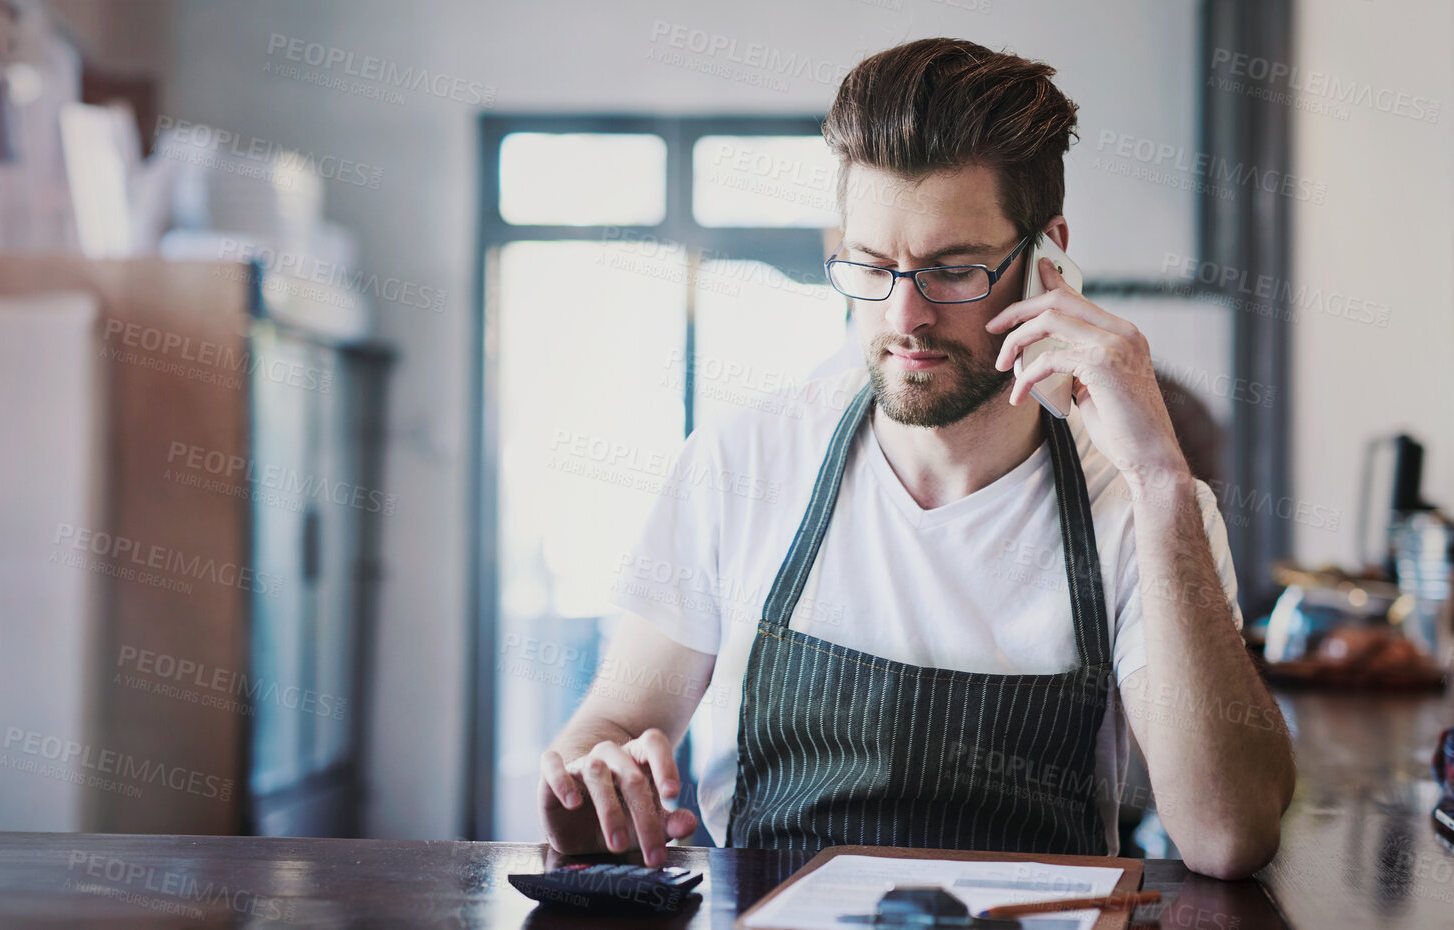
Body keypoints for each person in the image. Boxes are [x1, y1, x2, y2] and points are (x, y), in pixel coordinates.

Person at [540, 37, 1293, 879]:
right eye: (871, 265)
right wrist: (590, 783)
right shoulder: (740, 462)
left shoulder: (1136, 505)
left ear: (1047, 260)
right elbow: (607, 732)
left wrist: (1161, 479)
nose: (904, 315)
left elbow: (1229, 837)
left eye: (952, 270)